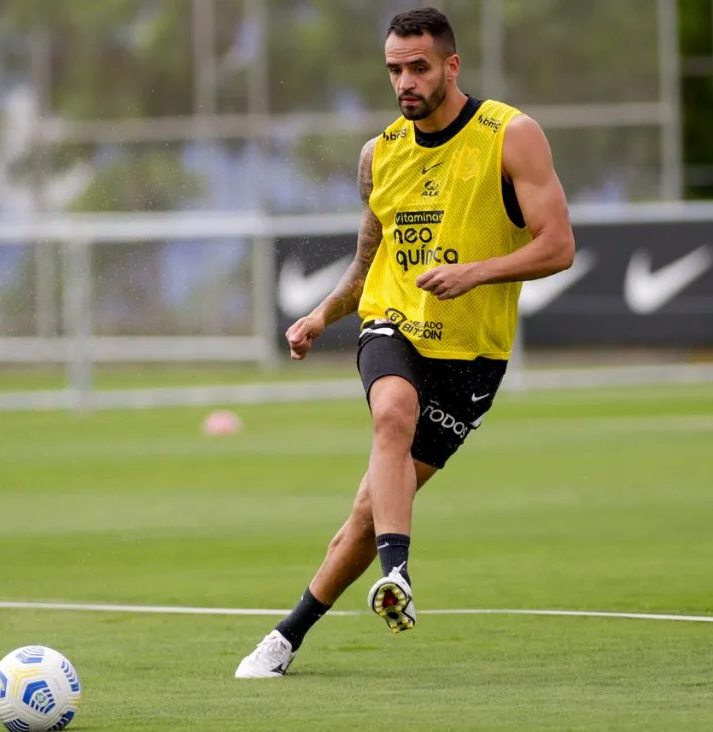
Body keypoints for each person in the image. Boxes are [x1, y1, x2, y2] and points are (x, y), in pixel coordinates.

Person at [235, 6, 575, 678]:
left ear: (452, 65)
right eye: (394, 69)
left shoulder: (511, 136)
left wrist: (474, 273)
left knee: (368, 509)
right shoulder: (379, 155)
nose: (405, 82)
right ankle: (400, 573)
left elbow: (558, 246)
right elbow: (366, 267)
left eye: (418, 67)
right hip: (394, 324)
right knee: (392, 411)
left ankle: (287, 636)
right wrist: (321, 316)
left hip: (473, 357)